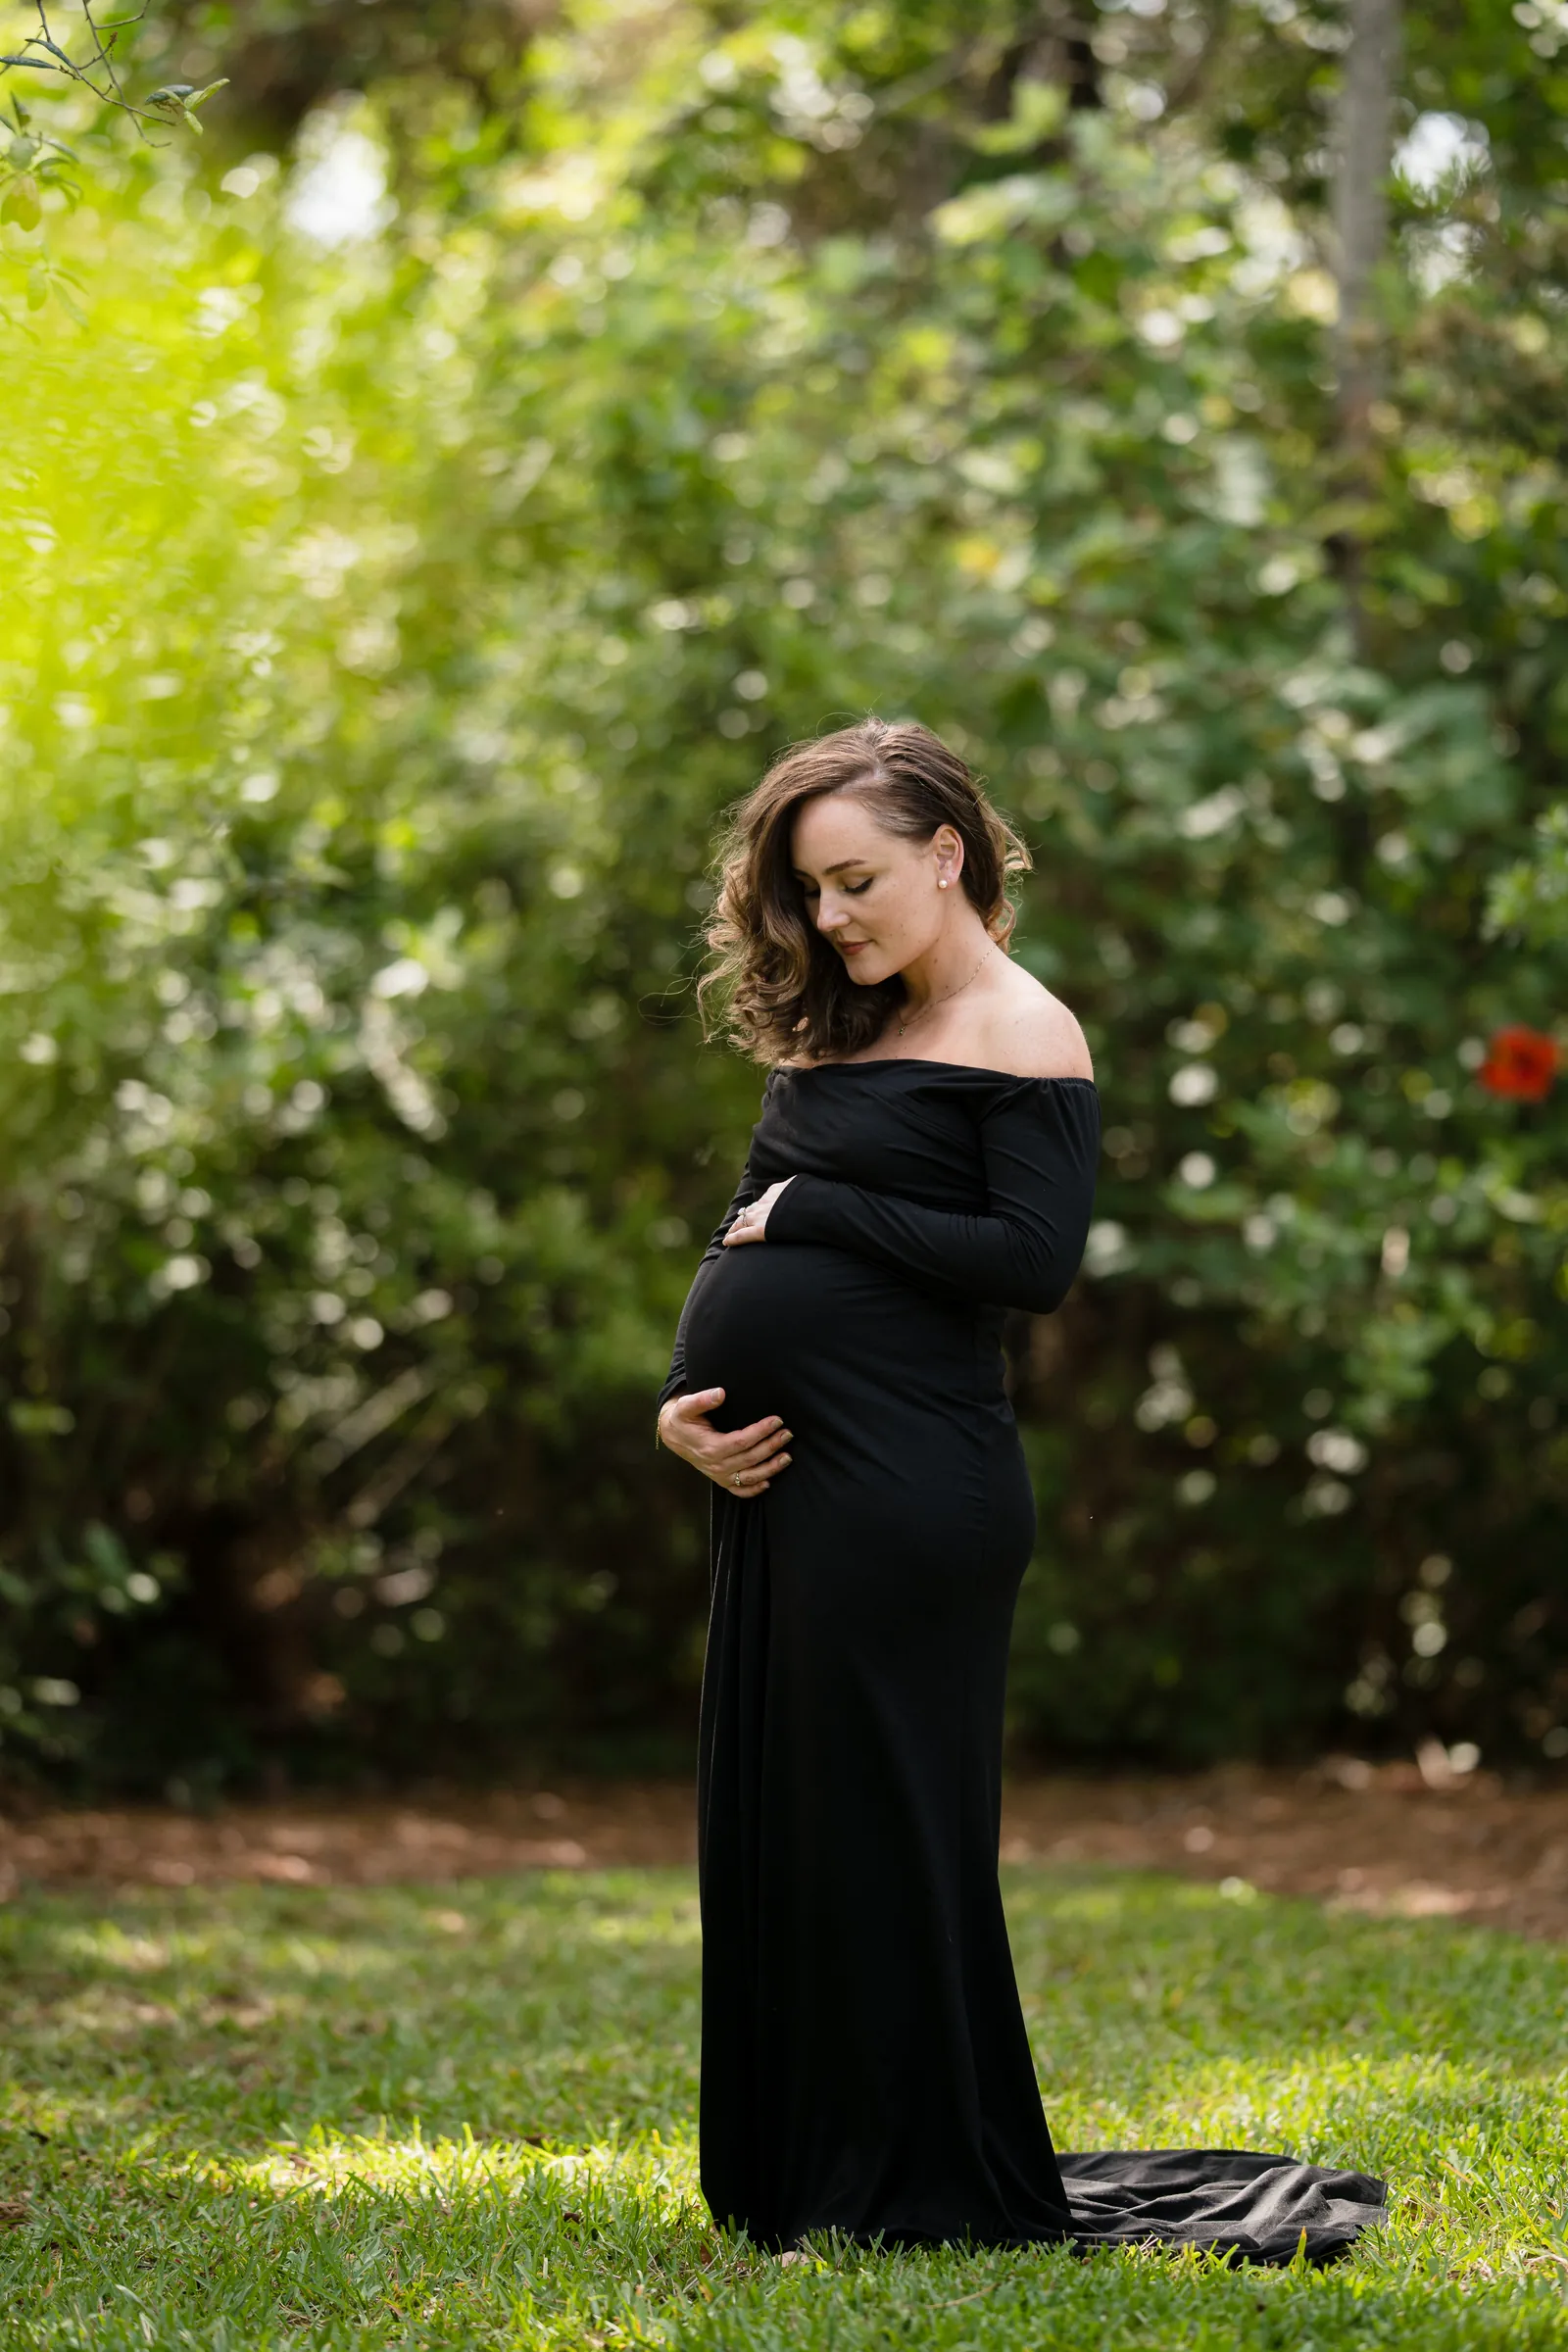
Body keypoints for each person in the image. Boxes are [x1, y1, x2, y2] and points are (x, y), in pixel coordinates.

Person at [656, 718, 1385, 2265]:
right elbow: (744, 1228)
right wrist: (682, 1409)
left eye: (856, 880)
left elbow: (1031, 1264)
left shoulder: (1023, 1028)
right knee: (790, 1823)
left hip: (912, 1487)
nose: (834, 916)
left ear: (948, 854)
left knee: (884, 1828)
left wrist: (827, 1208)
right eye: (810, 892)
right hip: (788, 1485)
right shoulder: (846, 1024)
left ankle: (913, 2174)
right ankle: (817, 2174)